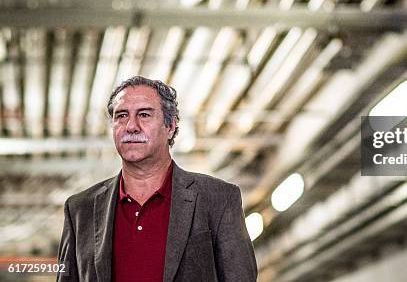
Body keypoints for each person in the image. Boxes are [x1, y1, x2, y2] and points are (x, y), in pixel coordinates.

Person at [57, 76, 257, 281]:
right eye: (121, 115)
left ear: (170, 126)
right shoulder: (80, 210)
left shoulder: (218, 198)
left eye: (144, 115)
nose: (131, 126)